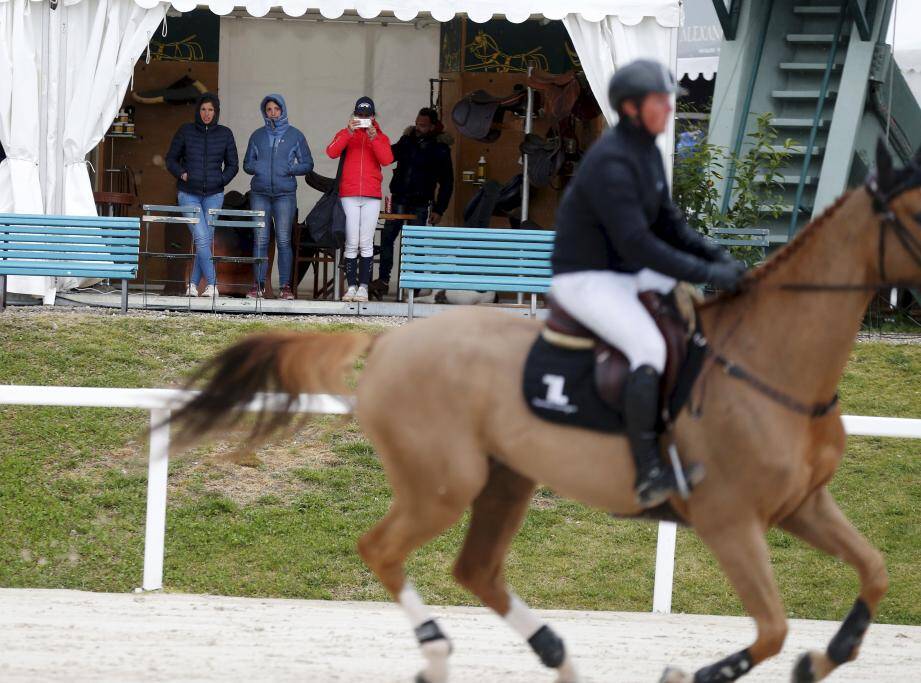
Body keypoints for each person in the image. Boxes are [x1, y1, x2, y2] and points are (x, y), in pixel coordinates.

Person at [550, 59, 746, 508]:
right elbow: (638, 242)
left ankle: (680, 430)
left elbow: (670, 224)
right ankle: (647, 471)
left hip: (622, 270)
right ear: (634, 108)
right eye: (662, 101)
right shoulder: (612, 162)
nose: (671, 108)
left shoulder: (647, 153)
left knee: (695, 318)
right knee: (650, 348)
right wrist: (706, 273)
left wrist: (716, 256)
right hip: (588, 277)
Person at [370, 107, 454, 298]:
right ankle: (383, 280)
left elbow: (447, 182)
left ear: (433, 126)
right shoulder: (407, 140)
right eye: (417, 123)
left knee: (415, 243)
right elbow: (390, 156)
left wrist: (440, 209)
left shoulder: (440, 148)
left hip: (421, 202)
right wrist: (376, 143)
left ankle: (414, 285)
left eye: (422, 125)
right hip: (399, 197)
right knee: (387, 238)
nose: (418, 127)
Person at [166, 93, 239, 298]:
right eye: (203, 109)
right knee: (201, 236)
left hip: (215, 195)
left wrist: (221, 180)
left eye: (211, 110)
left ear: (216, 112)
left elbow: (233, 165)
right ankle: (213, 284)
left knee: (204, 240)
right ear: (198, 111)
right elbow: (171, 159)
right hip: (188, 194)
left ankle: (192, 284)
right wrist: (182, 173)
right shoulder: (186, 131)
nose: (207, 114)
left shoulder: (225, 134)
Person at [243, 94, 314, 299]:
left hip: (285, 195)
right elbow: (247, 164)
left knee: (283, 240)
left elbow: (308, 164)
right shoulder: (257, 136)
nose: (273, 113)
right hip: (259, 194)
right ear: (264, 112)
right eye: (269, 110)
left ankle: (285, 287)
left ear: (282, 110)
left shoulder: (295, 135)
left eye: (276, 109)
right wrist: (259, 167)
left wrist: (290, 168)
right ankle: (258, 286)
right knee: (260, 240)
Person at [326, 96, 394, 302]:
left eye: (367, 115)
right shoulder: (346, 133)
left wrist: (374, 137)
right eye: (360, 114)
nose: (363, 118)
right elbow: (331, 151)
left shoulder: (381, 137)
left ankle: (363, 287)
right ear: (354, 115)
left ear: (373, 117)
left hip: (372, 196)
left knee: (366, 243)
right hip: (349, 194)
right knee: (352, 243)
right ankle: (351, 287)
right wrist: (348, 132)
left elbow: (387, 159)